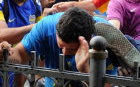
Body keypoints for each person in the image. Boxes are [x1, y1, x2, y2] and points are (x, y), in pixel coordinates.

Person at [1, 7, 140, 87]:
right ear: (56, 31)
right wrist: (4, 53)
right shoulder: (45, 26)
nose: (65, 52)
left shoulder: (105, 37)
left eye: (72, 49)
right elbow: (19, 55)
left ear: (89, 39)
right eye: (61, 46)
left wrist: (85, 70)